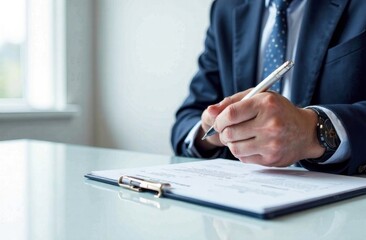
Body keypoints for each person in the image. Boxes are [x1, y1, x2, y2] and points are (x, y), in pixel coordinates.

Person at [171, 0, 366, 175]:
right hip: (246, 193)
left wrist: (313, 132)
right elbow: (186, 121)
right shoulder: (226, 7)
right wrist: (212, 134)